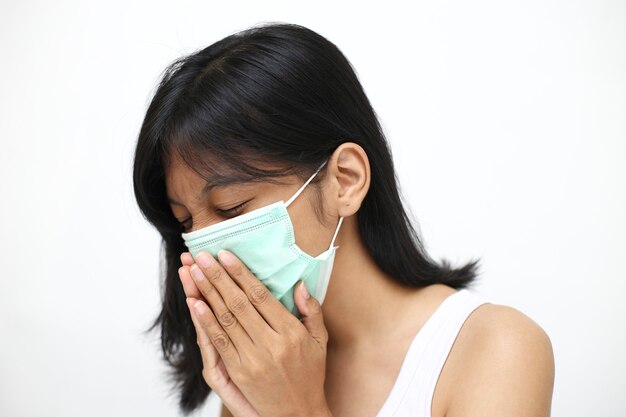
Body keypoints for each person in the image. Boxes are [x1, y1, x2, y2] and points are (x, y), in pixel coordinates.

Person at [133, 22, 555, 417]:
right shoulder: (260, 363)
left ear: (346, 181)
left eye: (231, 208)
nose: (204, 255)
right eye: (186, 222)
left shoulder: (496, 347)